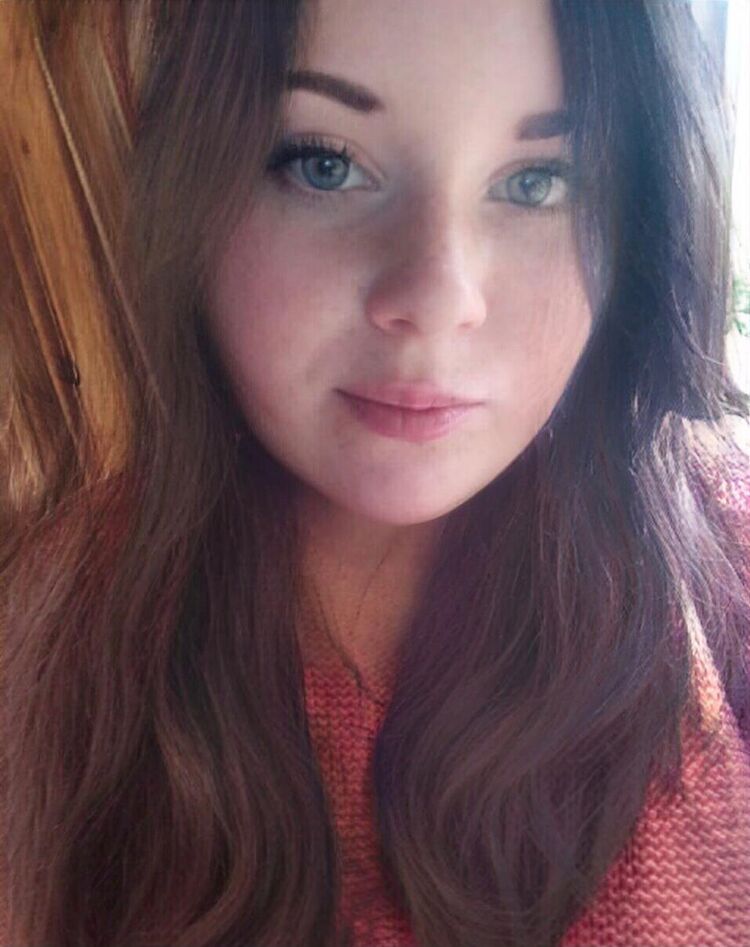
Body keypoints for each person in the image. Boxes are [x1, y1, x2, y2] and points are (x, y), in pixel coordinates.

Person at [1, 0, 749, 945]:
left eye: (537, 181)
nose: (438, 296)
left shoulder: (719, 548)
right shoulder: (52, 643)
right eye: (324, 163)